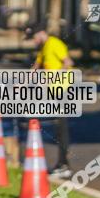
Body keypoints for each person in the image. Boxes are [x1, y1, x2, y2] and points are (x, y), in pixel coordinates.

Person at [29, 24, 72, 178]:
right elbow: (36, 67)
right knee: (57, 127)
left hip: (63, 90)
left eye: (33, 37)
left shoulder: (54, 43)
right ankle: (61, 164)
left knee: (61, 129)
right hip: (54, 92)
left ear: (41, 33)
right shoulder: (44, 48)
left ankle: (64, 165)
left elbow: (67, 62)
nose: (33, 41)